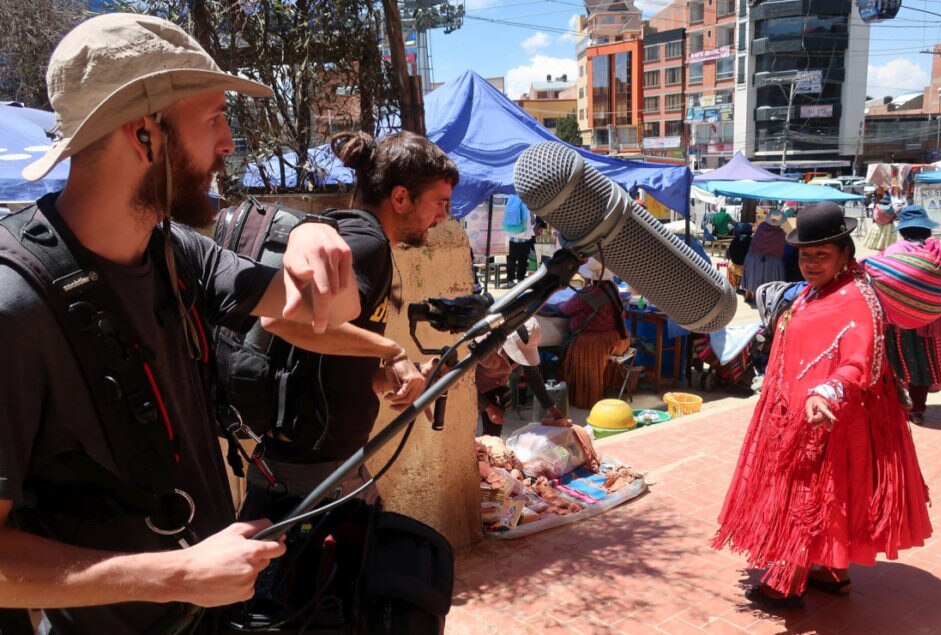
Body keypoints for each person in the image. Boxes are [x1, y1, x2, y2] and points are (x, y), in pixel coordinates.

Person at [0, 14, 361, 632]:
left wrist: (312, 230)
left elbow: (330, 308)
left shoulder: (172, 250)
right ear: (145, 134)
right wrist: (178, 574)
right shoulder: (14, 306)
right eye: (214, 118)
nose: (228, 141)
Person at [713, 202, 932, 607]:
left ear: (845, 254)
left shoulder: (856, 298)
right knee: (831, 498)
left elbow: (859, 361)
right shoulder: (823, 288)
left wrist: (826, 392)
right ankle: (833, 573)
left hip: (827, 419)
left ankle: (784, 583)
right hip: (806, 412)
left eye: (821, 255)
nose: (811, 263)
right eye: (805, 255)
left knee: (807, 498)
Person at [236, 131, 458, 515]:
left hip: (323, 464)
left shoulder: (362, 238)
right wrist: (392, 351)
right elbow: (281, 319)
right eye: (440, 203)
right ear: (401, 197)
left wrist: (387, 378)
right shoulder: (364, 242)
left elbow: (327, 351)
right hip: (308, 471)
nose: (444, 216)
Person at [880, 205, 941, 424]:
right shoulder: (940, 253)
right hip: (933, 320)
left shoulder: (894, 252)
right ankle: (917, 409)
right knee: (923, 365)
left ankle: (897, 406)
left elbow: (883, 280)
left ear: (902, 231)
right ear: (927, 229)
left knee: (897, 363)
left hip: (900, 321)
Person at [556, 258, 630, 409]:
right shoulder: (612, 288)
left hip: (596, 344)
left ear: (590, 276)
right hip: (619, 339)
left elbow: (564, 310)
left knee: (575, 347)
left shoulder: (588, 293)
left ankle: (587, 397)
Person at [475, 318, 567, 437]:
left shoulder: (526, 342)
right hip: (476, 384)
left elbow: (533, 375)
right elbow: (465, 385)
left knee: (493, 433)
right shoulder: (483, 346)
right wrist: (488, 408)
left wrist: (551, 408)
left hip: (497, 384)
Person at [741, 208, 787, 301]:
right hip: (772, 261)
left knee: (754, 275)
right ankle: (770, 297)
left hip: (753, 257)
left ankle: (749, 294)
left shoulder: (762, 227)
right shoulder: (780, 234)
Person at [503, 194, 536, 288]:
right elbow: (533, 221)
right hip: (524, 239)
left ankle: (510, 280)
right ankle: (520, 280)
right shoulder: (527, 201)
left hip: (511, 237)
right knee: (523, 260)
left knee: (510, 260)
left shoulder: (510, 200)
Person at [726, 222, 753, 290]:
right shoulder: (751, 241)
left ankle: (733, 287)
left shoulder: (734, 240)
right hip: (747, 269)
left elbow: (730, 253)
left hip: (733, 267)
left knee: (730, 263)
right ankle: (748, 292)